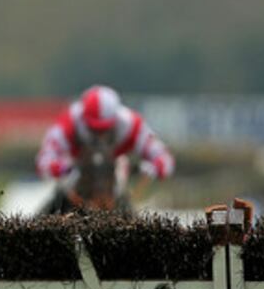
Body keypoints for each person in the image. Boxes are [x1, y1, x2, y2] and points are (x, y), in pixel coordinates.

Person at [35, 85, 174, 207]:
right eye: (94, 129)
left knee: (127, 209)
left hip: (114, 182)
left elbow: (165, 160)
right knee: (54, 202)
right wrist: (62, 168)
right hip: (76, 180)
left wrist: (153, 168)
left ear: (114, 119)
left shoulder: (132, 125)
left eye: (104, 129)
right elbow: (43, 161)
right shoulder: (69, 122)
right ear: (84, 118)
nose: (99, 135)